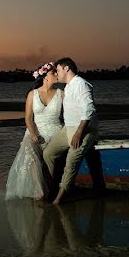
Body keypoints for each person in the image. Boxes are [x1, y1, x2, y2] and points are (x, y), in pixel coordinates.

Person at [42, 57, 99, 204]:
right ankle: (53, 187)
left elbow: (89, 109)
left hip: (84, 130)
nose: (57, 73)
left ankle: (59, 199)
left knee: (70, 163)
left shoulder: (81, 84)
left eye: (59, 70)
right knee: (48, 153)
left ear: (66, 69)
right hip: (68, 128)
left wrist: (79, 132)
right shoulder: (67, 86)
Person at [4, 62, 62, 200]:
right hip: (35, 131)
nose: (57, 75)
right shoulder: (32, 94)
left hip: (55, 132)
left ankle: (53, 186)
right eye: (54, 73)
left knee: (52, 154)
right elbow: (28, 118)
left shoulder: (61, 94)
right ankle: (39, 191)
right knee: (29, 149)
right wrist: (33, 133)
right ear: (45, 77)